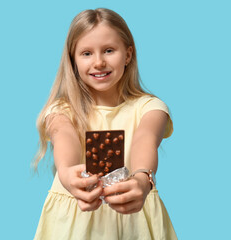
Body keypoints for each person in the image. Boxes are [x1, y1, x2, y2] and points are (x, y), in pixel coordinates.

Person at [33, 8, 177, 240]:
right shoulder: (60, 111)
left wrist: (142, 178)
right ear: (73, 60)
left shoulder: (151, 108)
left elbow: (145, 139)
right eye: (87, 53)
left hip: (135, 221)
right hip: (73, 225)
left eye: (109, 50)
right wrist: (69, 175)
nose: (99, 62)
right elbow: (64, 141)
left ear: (128, 55)